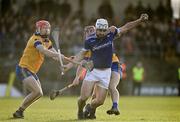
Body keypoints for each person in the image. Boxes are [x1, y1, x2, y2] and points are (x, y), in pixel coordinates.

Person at [66, 14, 148, 119]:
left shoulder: (111, 33)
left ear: (106, 30)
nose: (100, 33)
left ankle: (90, 108)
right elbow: (81, 57)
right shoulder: (89, 42)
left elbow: (126, 27)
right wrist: (71, 70)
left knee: (100, 101)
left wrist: (139, 20)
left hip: (106, 71)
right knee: (84, 97)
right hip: (93, 71)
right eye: (98, 30)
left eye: (102, 30)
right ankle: (80, 110)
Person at [13, 20, 71, 118]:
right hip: (23, 68)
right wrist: (58, 54)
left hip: (31, 71)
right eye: (44, 28)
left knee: (39, 94)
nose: (47, 30)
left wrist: (68, 59)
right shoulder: (35, 39)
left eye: (48, 28)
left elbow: (55, 56)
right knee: (37, 91)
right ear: (39, 29)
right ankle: (19, 110)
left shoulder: (47, 42)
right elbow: (43, 51)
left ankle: (20, 111)